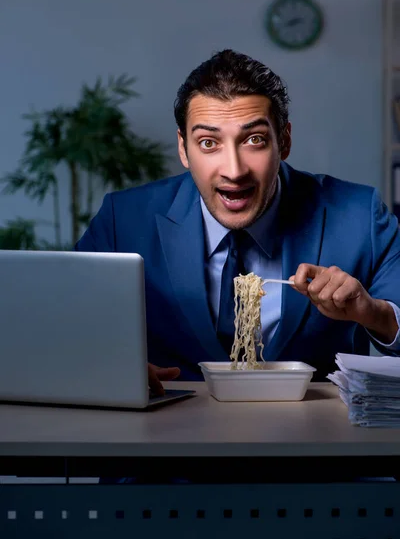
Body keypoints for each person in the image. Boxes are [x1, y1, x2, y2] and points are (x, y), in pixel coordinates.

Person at [76, 49, 400, 396]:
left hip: (310, 439)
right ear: (184, 150)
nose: (234, 170)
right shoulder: (122, 219)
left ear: (284, 141)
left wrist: (374, 313)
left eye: (254, 140)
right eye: (208, 143)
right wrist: (110, 365)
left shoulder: (358, 214)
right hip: (166, 437)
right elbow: (65, 323)